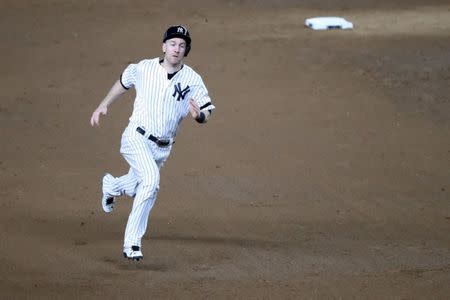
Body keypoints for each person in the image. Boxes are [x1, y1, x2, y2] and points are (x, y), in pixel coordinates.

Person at [90, 25, 215, 261]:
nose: (176, 49)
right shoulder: (144, 68)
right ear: (164, 46)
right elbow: (123, 82)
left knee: (138, 186)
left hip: (162, 147)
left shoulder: (193, 80)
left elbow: (207, 111)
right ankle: (132, 243)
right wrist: (103, 104)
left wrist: (199, 116)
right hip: (135, 137)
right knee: (151, 182)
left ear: (186, 50)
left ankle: (112, 186)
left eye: (181, 45)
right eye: (172, 44)